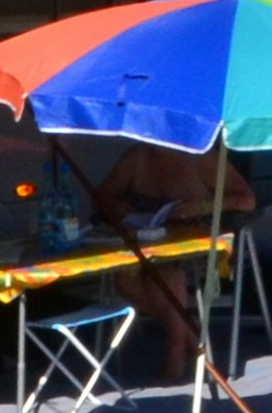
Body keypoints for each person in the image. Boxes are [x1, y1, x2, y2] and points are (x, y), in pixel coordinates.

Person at [90, 135, 255, 382]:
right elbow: (102, 195)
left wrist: (200, 206)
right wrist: (119, 207)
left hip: (194, 247)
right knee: (124, 277)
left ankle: (175, 353)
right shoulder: (138, 157)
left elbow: (246, 200)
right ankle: (191, 337)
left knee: (168, 275)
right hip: (146, 243)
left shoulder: (201, 158)